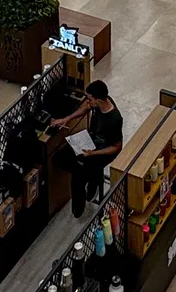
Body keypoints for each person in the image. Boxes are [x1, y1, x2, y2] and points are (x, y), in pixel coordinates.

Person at [51, 80, 124, 216]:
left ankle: (79, 208)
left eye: (90, 99)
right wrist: (68, 118)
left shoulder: (114, 119)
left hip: (103, 151)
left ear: (99, 100)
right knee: (59, 158)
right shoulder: (96, 104)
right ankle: (91, 176)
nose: (87, 101)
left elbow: (116, 147)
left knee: (78, 178)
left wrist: (93, 153)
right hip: (90, 141)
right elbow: (86, 107)